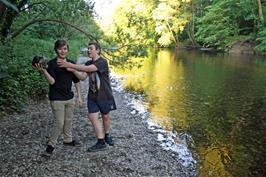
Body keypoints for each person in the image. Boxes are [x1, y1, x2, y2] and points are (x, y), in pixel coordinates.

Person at [57, 42, 116, 152]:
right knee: (93, 117)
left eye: (91, 49)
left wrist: (68, 65)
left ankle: (107, 134)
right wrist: (73, 70)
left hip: (104, 95)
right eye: (88, 49)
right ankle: (101, 141)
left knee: (105, 116)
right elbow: (83, 76)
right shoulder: (88, 62)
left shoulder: (102, 62)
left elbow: (89, 69)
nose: (88, 51)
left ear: (97, 50)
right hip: (92, 95)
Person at [34, 39, 84, 157]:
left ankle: (68, 140)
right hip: (56, 99)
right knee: (59, 122)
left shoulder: (71, 63)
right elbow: (52, 82)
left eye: (65, 48)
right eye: (60, 49)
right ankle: (50, 146)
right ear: (56, 50)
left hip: (69, 98)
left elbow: (77, 81)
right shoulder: (51, 64)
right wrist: (44, 71)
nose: (63, 51)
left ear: (67, 50)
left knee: (68, 120)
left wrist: (79, 97)